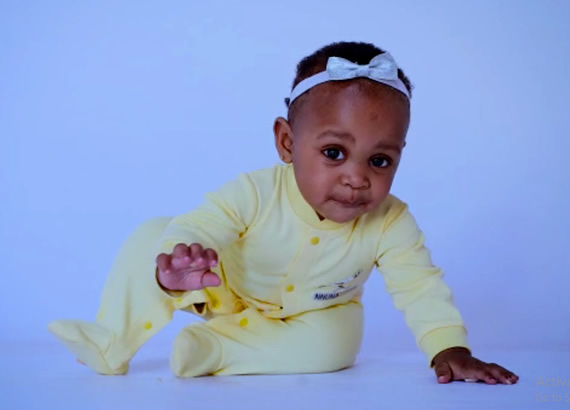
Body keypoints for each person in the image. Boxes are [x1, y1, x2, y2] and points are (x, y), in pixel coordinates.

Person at [49, 41, 519, 384]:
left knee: (337, 344)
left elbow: (419, 286)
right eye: (334, 153)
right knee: (153, 234)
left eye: (380, 161)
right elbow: (204, 223)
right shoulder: (256, 192)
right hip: (221, 287)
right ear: (287, 142)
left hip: (315, 313)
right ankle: (111, 341)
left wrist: (448, 347)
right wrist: (183, 258)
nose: (357, 178)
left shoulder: (390, 221)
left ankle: (216, 350)